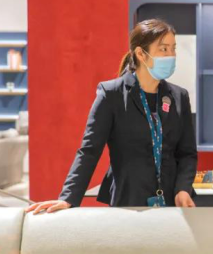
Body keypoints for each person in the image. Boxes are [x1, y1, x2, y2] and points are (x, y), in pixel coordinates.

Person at [27, 19, 198, 213]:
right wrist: (68, 198)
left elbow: (187, 153)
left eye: (173, 49)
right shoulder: (111, 94)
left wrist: (183, 188)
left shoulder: (179, 96)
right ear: (141, 54)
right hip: (127, 203)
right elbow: (89, 150)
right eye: (164, 49)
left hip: (173, 204)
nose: (171, 56)